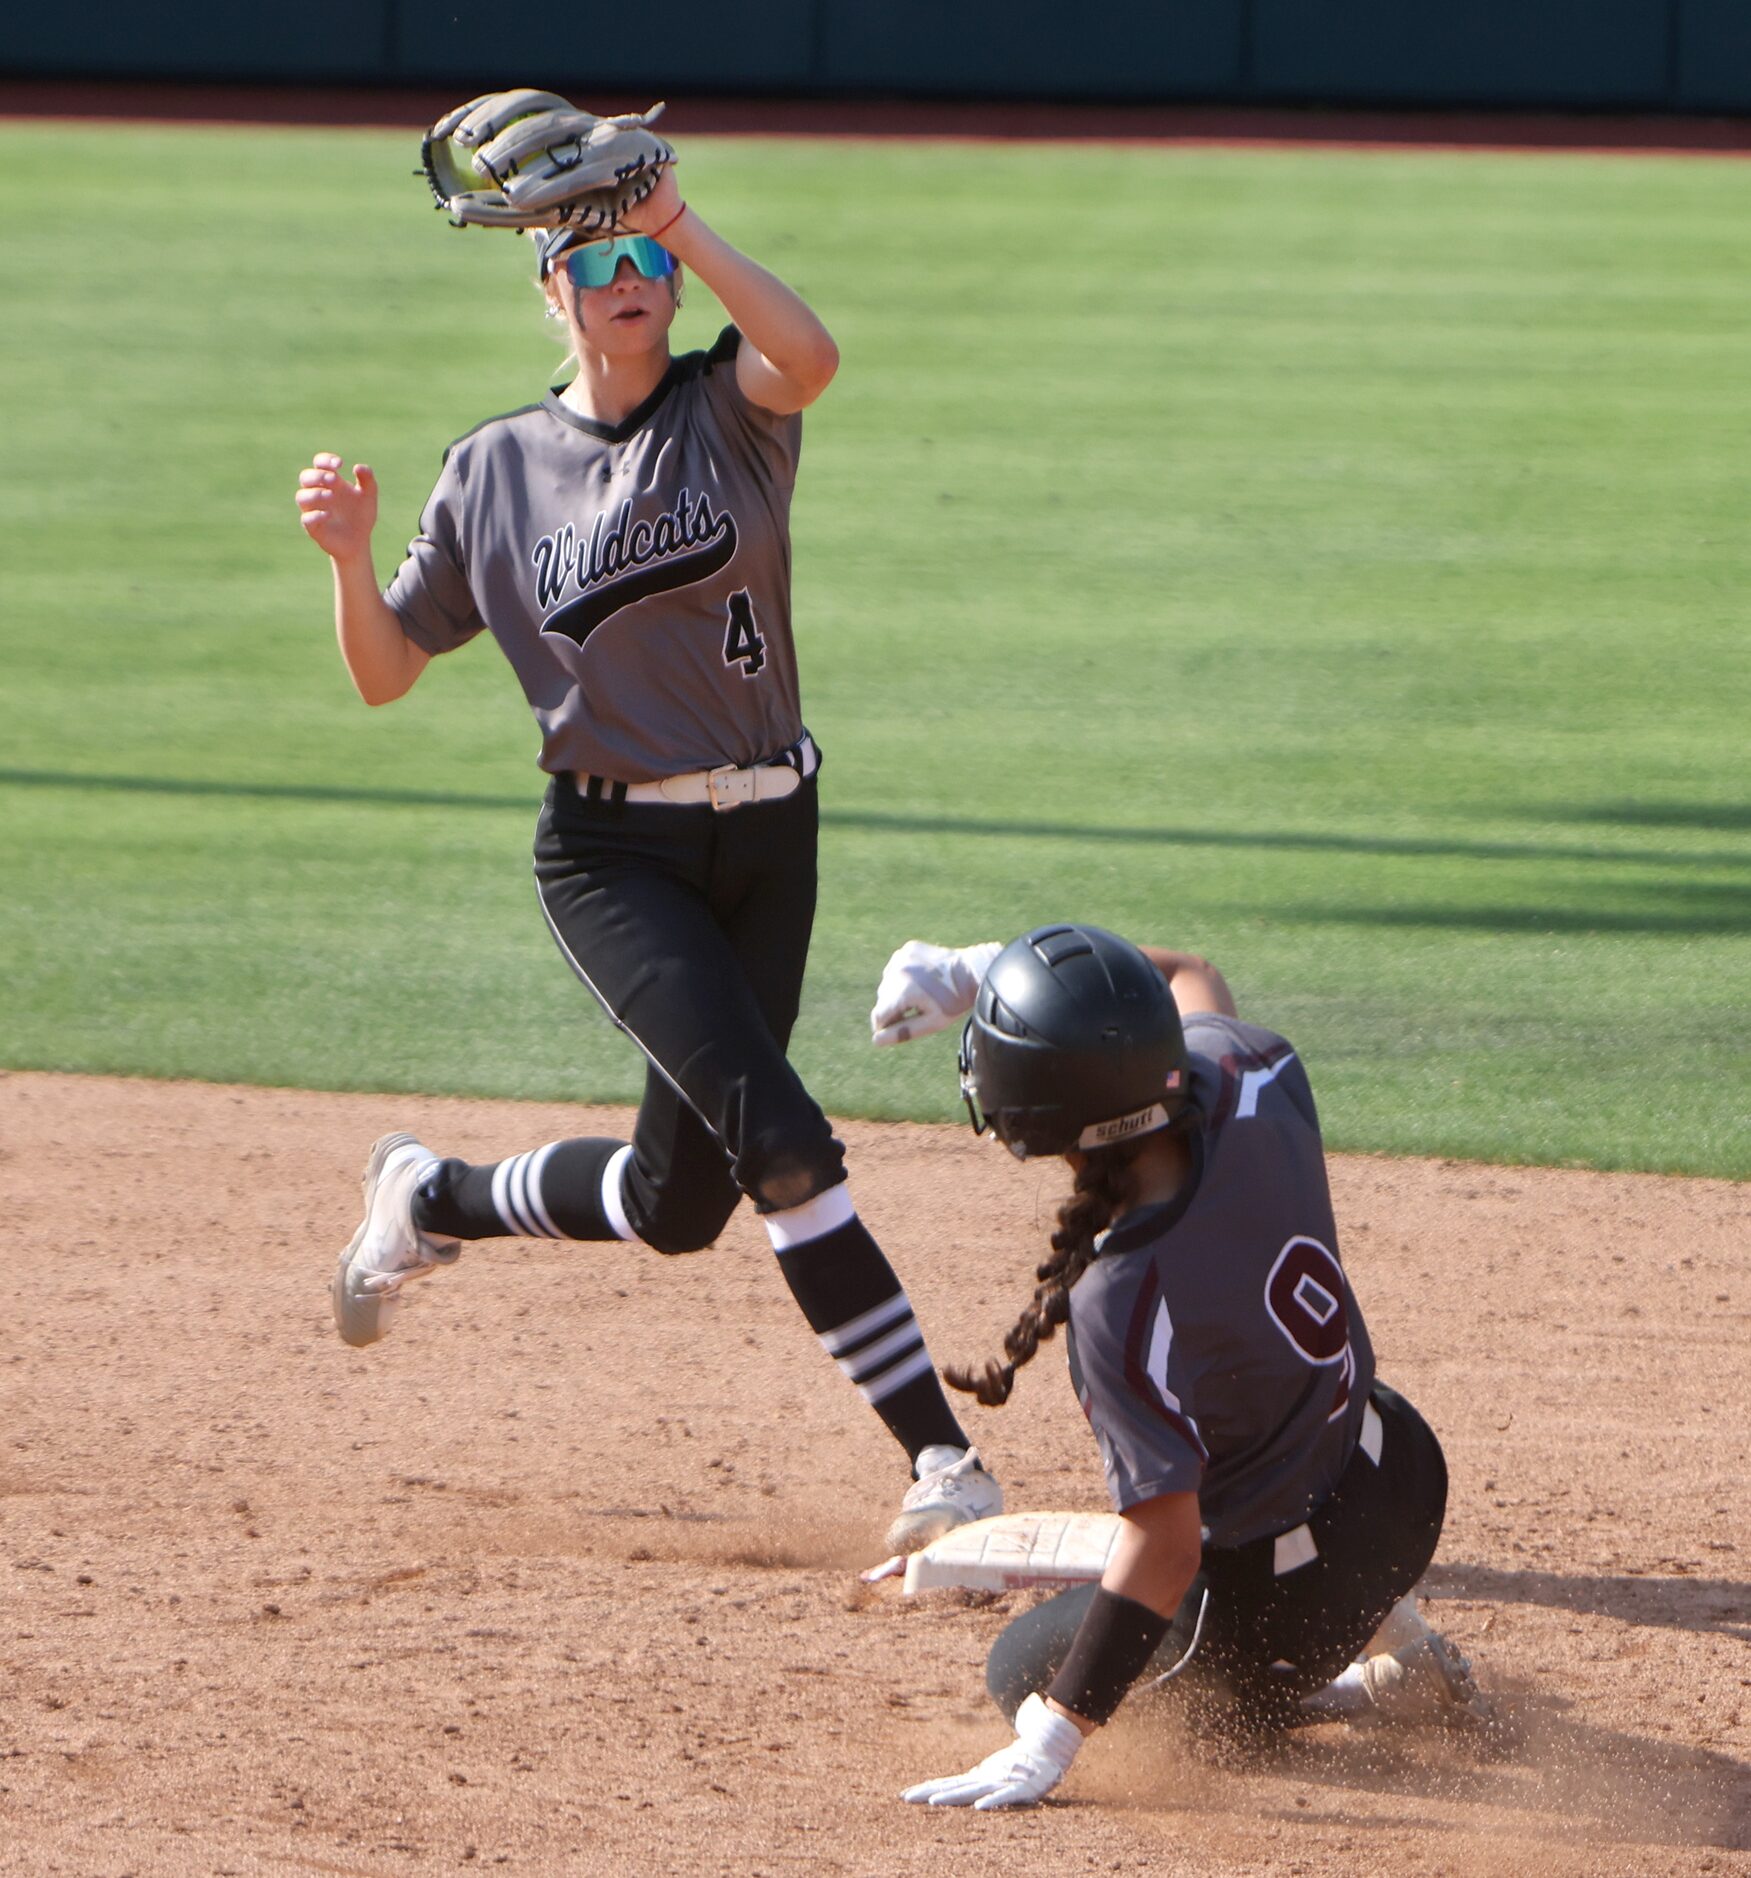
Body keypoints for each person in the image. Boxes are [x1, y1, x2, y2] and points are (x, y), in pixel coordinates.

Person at [293, 149, 999, 1555]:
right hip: (614, 857)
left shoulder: (728, 409)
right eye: (599, 265)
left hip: (769, 834)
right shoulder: (493, 469)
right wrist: (348, 560)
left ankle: (429, 1193)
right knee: (785, 1140)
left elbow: (811, 352)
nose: (630, 282)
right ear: (553, 292)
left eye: (647, 263)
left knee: (685, 1202)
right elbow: (385, 672)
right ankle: (939, 1460)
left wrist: (672, 212)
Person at [866, 927, 1479, 1810]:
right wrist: (1000, 973)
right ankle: (1387, 1632)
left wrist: (1047, 1744)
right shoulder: (1251, 1070)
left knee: (1022, 1669)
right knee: (1274, 1433)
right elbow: (1186, 972)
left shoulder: (1122, 1297)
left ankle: (1349, 1684)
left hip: (1297, 1598)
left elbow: (1165, 1550)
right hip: (1399, 1472)